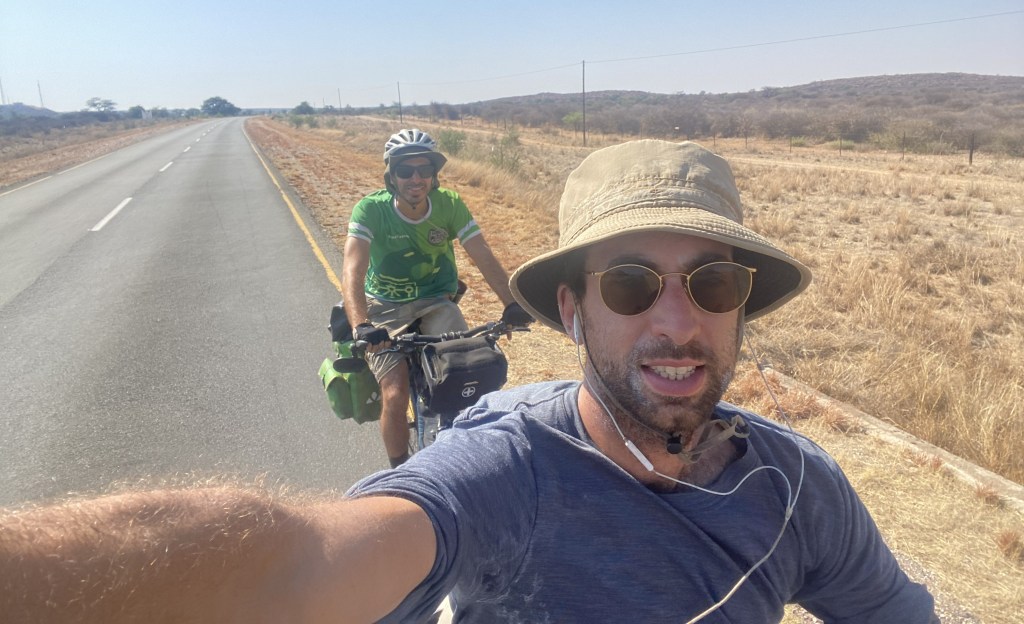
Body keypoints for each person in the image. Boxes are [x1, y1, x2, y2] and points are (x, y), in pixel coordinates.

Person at [0, 140, 938, 623]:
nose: (678, 321)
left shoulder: (796, 484)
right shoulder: (506, 471)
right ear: (575, 311)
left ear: (741, 309)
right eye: (630, 284)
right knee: (404, 392)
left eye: (714, 283)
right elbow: (293, 562)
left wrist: (502, 299)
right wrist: (362, 323)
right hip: (393, 312)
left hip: (444, 302)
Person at [342, 128, 532, 467]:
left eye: (424, 170)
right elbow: (352, 270)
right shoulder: (370, 210)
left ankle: (470, 449)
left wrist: (511, 302)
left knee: (468, 374)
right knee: (395, 393)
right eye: (405, 171)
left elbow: (482, 254)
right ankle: (400, 470)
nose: (415, 178)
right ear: (392, 175)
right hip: (385, 308)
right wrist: (361, 325)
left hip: (436, 301)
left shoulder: (450, 205)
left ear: (434, 174)